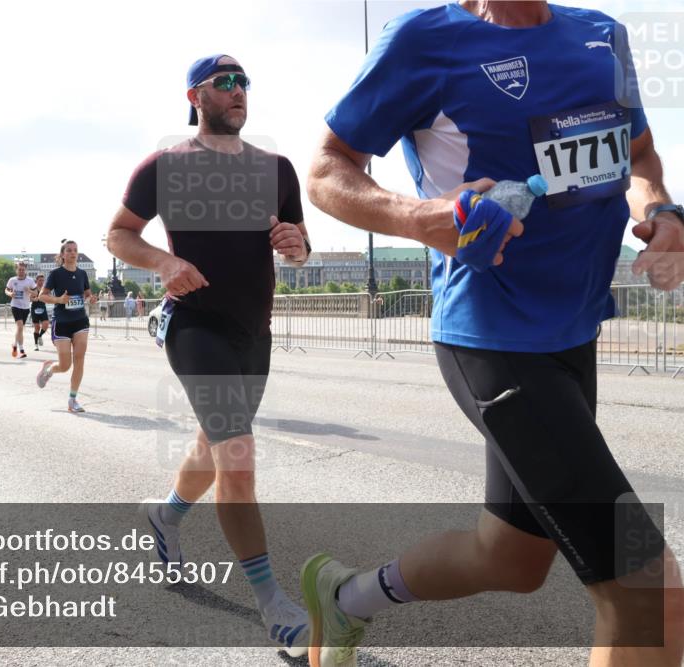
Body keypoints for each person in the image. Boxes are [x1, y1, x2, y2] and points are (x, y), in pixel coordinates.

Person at [299, 3, 684, 666]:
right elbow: (326, 171)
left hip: (574, 332)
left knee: (510, 556)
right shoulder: (426, 39)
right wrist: (422, 217)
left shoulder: (601, 35)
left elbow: (639, 155)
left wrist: (661, 211)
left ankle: (346, 597)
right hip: (492, 336)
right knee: (647, 593)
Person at [106, 54, 312, 655]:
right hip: (195, 326)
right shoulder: (166, 165)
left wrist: (297, 245)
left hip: (254, 331)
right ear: (195, 96)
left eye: (244, 82)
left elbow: (298, 248)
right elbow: (118, 233)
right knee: (239, 460)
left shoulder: (277, 168)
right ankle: (274, 605)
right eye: (224, 83)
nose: (238, 91)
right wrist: (165, 263)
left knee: (215, 442)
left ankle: (166, 516)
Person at [36, 239, 97, 413]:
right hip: (62, 322)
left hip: (80, 321)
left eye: (75, 250)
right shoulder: (56, 274)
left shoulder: (82, 274)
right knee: (64, 366)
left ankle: (72, 399)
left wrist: (91, 299)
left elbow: (87, 294)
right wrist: (59, 300)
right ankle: (49, 369)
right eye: (69, 250)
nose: (72, 253)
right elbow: (42, 296)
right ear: (62, 254)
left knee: (79, 359)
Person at [6, 261, 37, 359]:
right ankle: (22, 350)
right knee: (19, 327)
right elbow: (6, 290)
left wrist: (30, 291)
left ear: (26, 270)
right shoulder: (12, 280)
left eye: (23, 270)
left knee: (20, 329)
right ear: (16, 270)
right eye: (19, 269)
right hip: (15, 305)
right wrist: (10, 294)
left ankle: (15, 344)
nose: (21, 271)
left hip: (26, 307)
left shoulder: (30, 281)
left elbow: (36, 293)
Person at [29, 274, 49, 351]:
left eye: (43, 280)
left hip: (42, 308)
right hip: (35, 308)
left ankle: (40, 336)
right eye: (40, 280)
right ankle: (36, 344)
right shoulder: (34, 288)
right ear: (36, 280)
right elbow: (30, 298)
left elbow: (48, 296)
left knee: (46, 324)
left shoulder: (45, 289)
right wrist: (35, 299)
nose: (41, 282)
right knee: (37, 327)